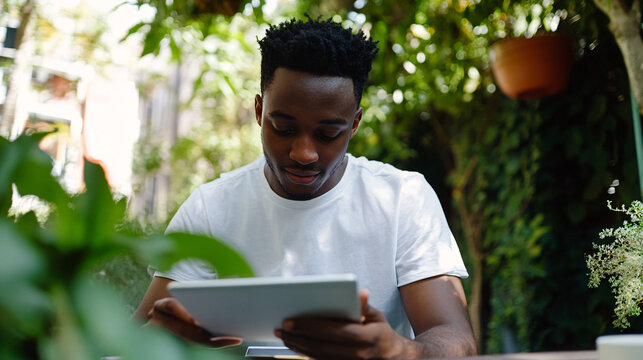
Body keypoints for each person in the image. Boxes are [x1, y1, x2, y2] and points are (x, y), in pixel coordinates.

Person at [134, 16, 477, 359]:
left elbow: (455, 340)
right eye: (283, 129)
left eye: (328, 134)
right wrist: (160, 338)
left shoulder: (402, 199)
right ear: (258, 111)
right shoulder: (210, 209)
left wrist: (397, 350)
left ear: (354, 123)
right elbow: (130, 342)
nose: (304, 153)